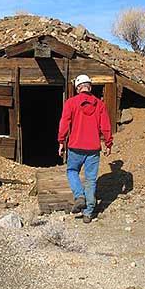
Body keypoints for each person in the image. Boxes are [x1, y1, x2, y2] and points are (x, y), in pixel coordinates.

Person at [58, 74, 113, 223]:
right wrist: (108, 143)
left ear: (78, 88)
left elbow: (64, 123)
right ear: (90, 86)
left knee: (72, 171)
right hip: (93, 149)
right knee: (90, 180)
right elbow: (106, 127)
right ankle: (88, 213)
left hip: (75, 147)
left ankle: (79, 195)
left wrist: (61, 141)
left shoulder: (71, 103)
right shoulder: (99, 104)